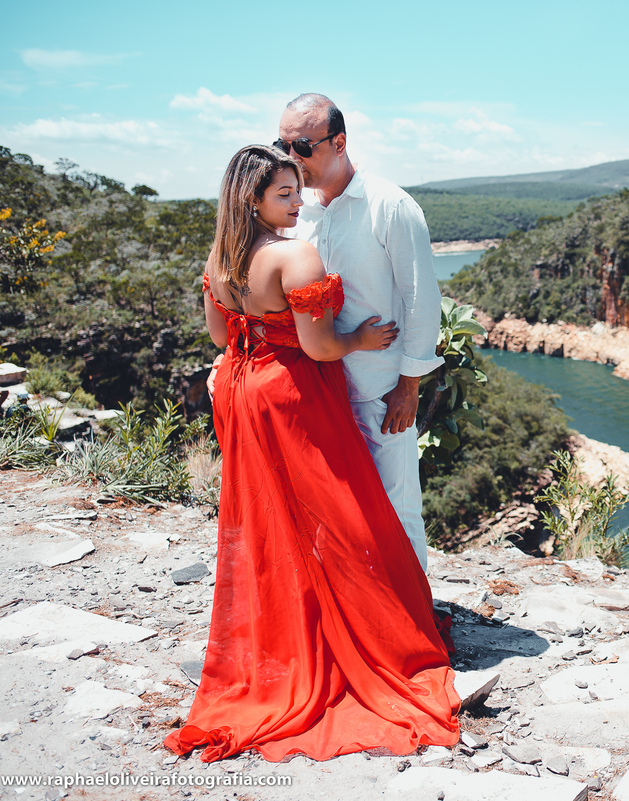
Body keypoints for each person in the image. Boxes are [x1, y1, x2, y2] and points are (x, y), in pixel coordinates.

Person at [165, 145, 460, 763]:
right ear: (253, 200)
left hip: (245, 393)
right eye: (284, 194)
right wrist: (360, 337)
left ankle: (290, 629)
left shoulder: (220, 259)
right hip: (295, 396)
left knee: (274, 518)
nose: (298, 202)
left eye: (297, 190)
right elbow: (321, 347)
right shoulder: (294, 255)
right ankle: (358, 630)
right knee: (340, 511)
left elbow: (222, 336)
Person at [275, 93, 442, 573]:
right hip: (317, 391)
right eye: (283, 146)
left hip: (379, 389)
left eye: (302, 146)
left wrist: (409, 385)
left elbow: (421, 299)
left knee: (396, 506)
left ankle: (413, 608)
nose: (291, 158)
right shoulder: (295, 212)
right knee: (335, 512)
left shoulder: (390, 206)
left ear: (339, 142)